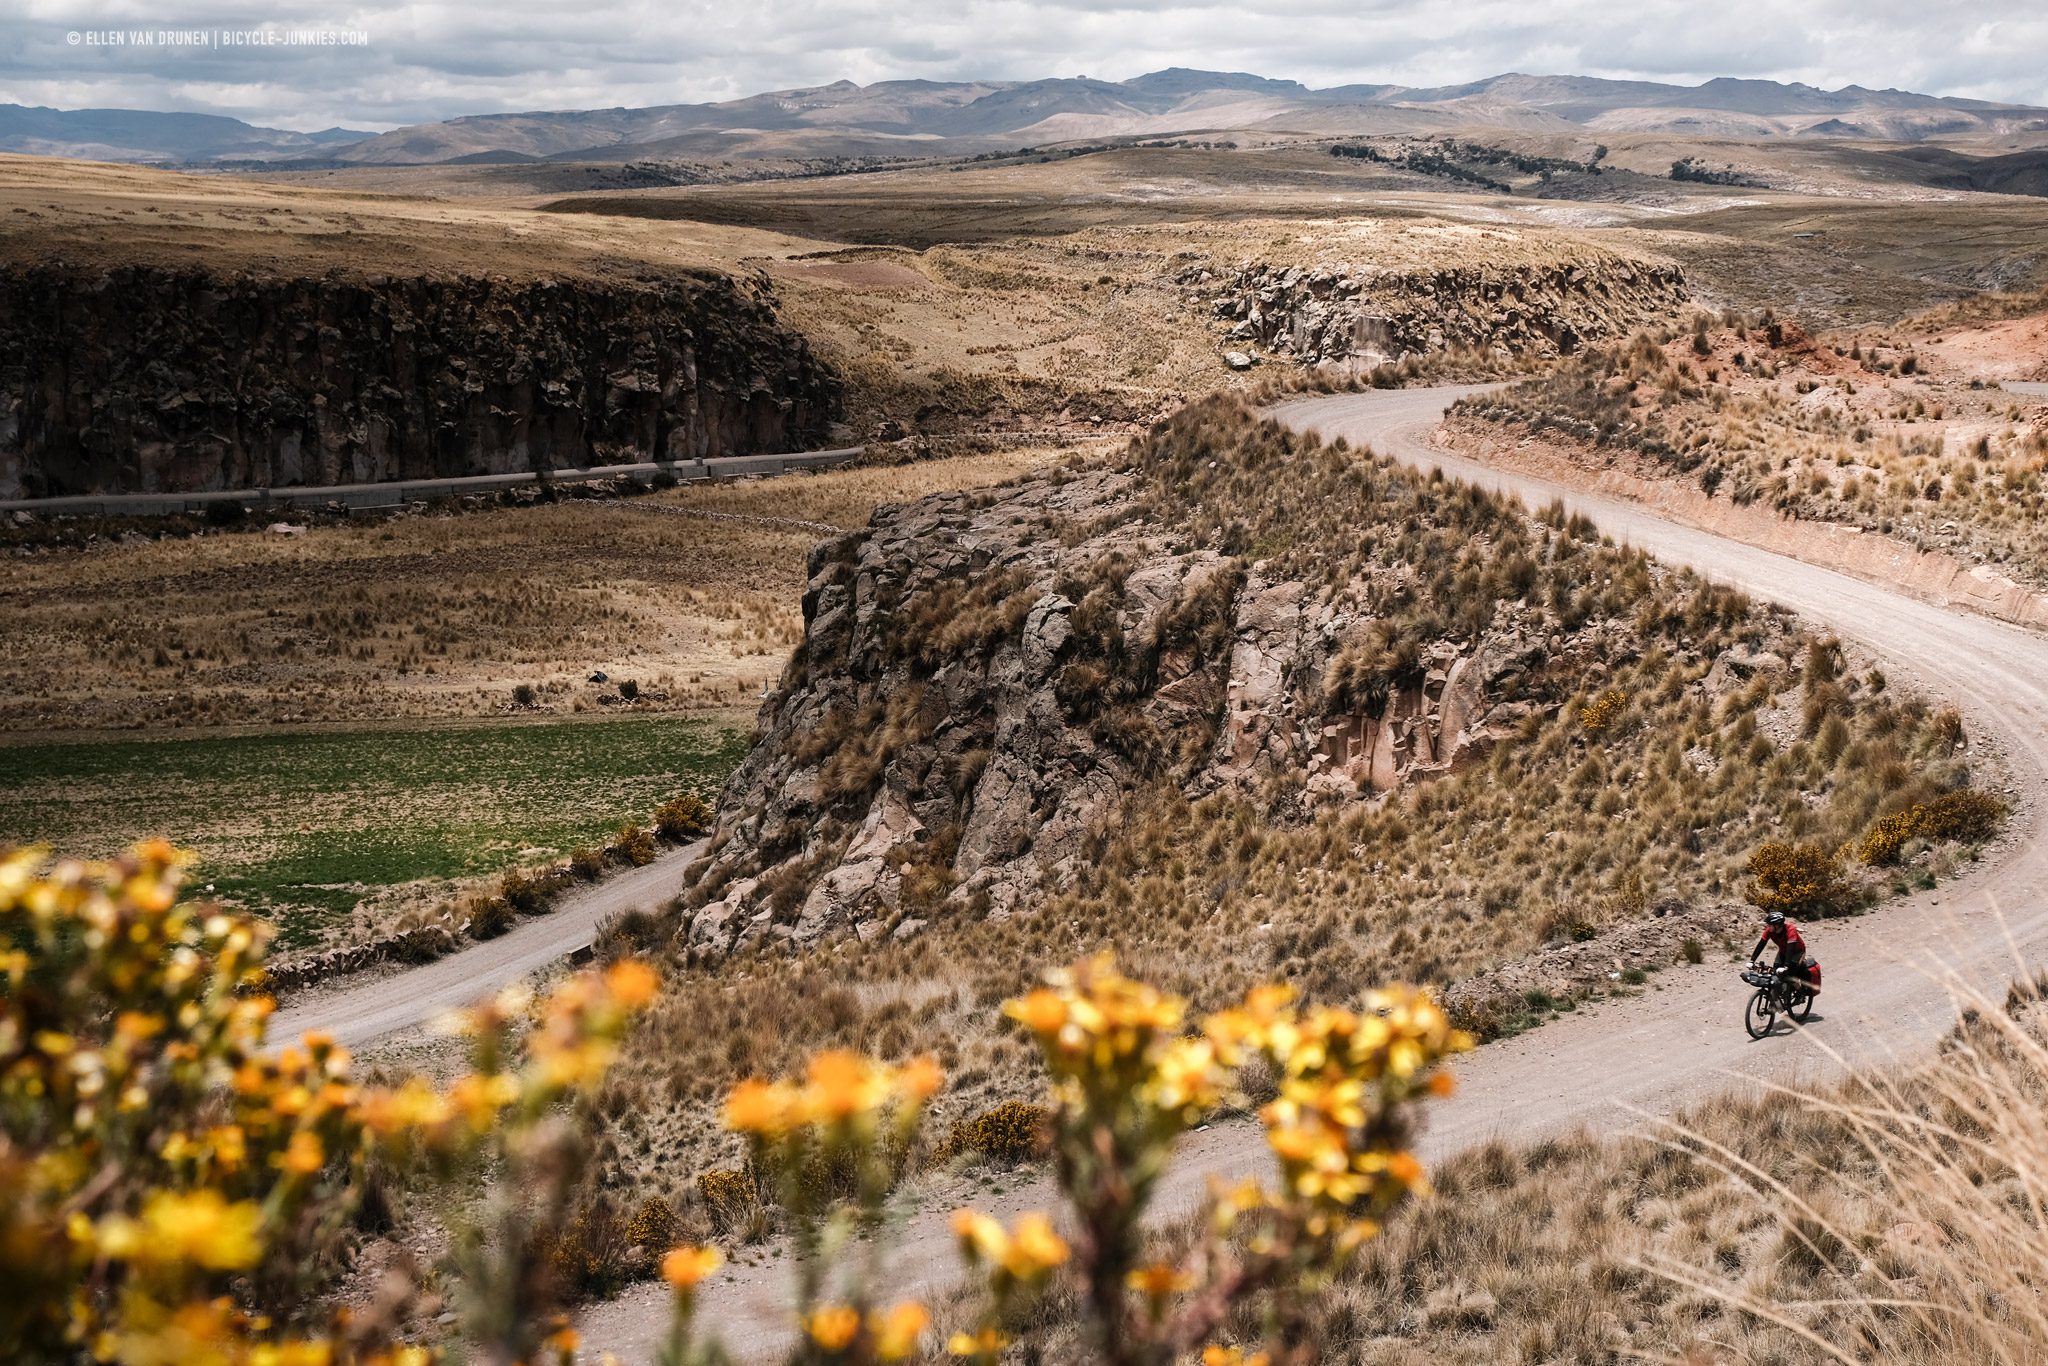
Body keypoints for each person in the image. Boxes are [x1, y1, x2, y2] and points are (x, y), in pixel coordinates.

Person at [1751, 910, 1814, 989]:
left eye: (1770, 925)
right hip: (1783, 951)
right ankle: (1778, 993)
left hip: (1797, 952)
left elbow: (1791, 949)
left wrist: (1786, 966)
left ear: (1777, 925)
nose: (1768, 927)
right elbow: (1761, 944)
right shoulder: (1769, 931)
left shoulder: (1790, 930)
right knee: (1775, 971)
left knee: (1790, 973)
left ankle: (1799, 992)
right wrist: (1752, 960)